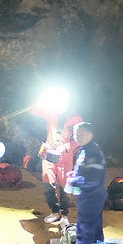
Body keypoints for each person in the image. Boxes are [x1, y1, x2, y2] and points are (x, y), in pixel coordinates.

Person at [29, 96, 83, 224]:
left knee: (65, 186)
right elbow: (32, 110)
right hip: (49, 155)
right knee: (47, 184)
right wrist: (40, 102)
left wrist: (65, 147)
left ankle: (64, 215)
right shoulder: (51, 113)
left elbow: (79, 140)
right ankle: (54, 212)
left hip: (65, 157)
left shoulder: (76, 118)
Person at [65, 122, 106, 244]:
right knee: (95, 225)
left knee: (84, 225)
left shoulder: (93, 152)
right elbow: (85, 172)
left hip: (92, 194)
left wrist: (74, 181)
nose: (78, 136)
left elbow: (95, 178)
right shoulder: (83, 150)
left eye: (82, 133)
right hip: (88, 193)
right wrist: (74, 175)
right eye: (76, 134)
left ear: (90, 134)